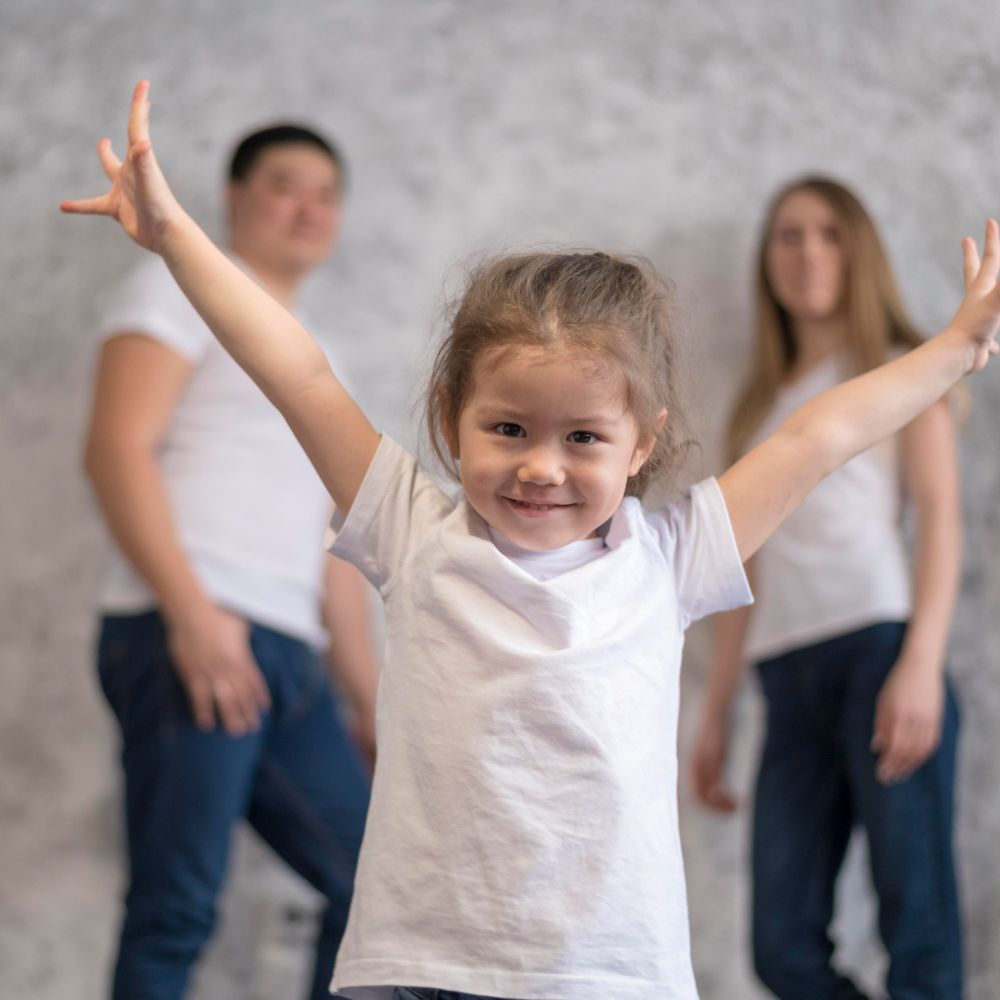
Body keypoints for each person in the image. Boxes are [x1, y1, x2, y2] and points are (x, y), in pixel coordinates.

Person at [62, 82, 1000, 1000]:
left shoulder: (670, 558)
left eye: (583, 438)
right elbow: (298, 374)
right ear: (451, 416)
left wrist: (955, 346)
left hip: (609, 976)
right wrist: (177, 237)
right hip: (427, 976)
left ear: (642, 445)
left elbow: (816, 437)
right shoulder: (411, 528)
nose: (542, 468)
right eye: (508, 429)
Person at [80, 112, 377, 1000]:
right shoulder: (171, 290)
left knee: (379, 892)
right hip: (192, 633)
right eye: (287, 186)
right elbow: (115, 450)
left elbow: (337, 542)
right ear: (235, 197)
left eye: (327, 195)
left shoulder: (322, 353)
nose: (308, 209)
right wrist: (193, 615)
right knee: (177, 909)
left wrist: (369, 701)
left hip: (291, 659)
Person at [690, 177, 965, 999]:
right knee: (782, 946)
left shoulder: (898, 371)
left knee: (917, 929)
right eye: (788, 236)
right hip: (786, 677)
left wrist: (920, 664)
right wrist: (716, 710)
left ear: (859, 252)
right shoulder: (757, 409)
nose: (808, 253)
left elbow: (942, 524)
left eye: (828, 234)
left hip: (879, 654)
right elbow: (741, 568)